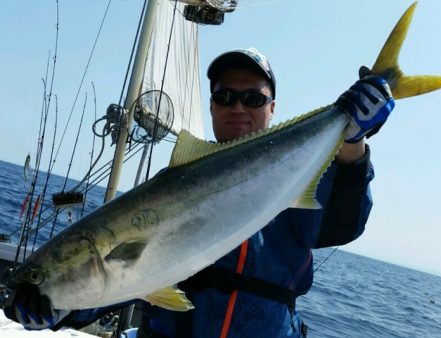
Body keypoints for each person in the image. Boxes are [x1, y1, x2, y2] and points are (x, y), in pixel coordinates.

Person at [4, 47, 394, 337]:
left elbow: (342, 226)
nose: (238, 107)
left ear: (273, 108)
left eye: (253, 98)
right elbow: (123, 282)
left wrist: (352, 142)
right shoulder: (166, 188)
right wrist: (62, 309)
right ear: (211, 106)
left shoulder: (297, 178)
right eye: (225, 96)